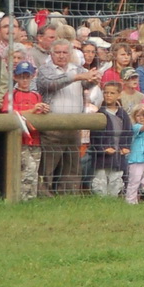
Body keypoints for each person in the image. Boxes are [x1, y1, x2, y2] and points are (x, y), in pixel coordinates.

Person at [35, 40, 97, 196]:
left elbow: (86, 84)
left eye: (65, 52)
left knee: (72, 166)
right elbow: (50, 84)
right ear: (51, 54)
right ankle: (43, 196)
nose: (61, 56)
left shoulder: (78, 69)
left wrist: (93, 81)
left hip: (74, 126)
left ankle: (69, 195)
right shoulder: (45, 70)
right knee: (47, 166)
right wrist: (77, 77)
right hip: (52, 127)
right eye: (58, 52)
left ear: (70, 54)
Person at [3, 61, 43, 200]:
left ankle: (32, 198)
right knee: (28, 168)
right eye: (21, 77)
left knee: (35, 171)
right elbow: (10, 115)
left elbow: (39, 116)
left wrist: (43, 110)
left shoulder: (36, 96)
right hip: (20, 140)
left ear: (32, 76)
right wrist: (31, 111)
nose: (24, 80)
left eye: (27, 76)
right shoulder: (11, 95)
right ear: (15, 77)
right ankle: (22, 197)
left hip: (35, 139)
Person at [88, 82, 132, 197]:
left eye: (112, 93)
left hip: (118, 155)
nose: (108, 95)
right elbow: (94, 137)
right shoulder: (99, 114)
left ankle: (113, 200)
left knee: (116, 181)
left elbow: (128, 132)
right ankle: (100, 201)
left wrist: (126, 147)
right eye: (106, 93)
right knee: (100, 181)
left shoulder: (123, 115)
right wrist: (102, 149)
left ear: (119, 95)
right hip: (102, 157)